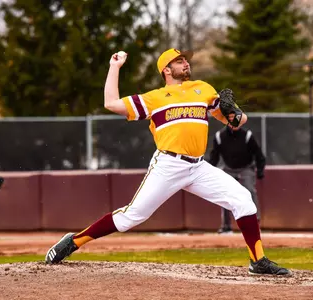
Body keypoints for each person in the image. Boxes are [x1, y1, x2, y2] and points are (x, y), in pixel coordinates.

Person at [45, 48, 290, 276]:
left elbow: (236, 121)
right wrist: (115, 67)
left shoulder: (203, 89)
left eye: (185, 59)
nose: (186, 62)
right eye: (179, 60)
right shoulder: (156, 98)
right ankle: (74, 241)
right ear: (166, 70)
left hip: (198, 167)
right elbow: (111, 103)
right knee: (132, 216)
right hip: (168, 165)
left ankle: (257, 261)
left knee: (243, 199)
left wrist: (235, 113)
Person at [208, 126, 266, 234]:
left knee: (250, 191)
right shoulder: (219, 136)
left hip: (246, 167)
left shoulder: (247, 135)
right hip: (228, 167)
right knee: (225, 194)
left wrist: (260, 170)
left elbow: (258, 154)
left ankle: (255, 224)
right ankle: (226, 226)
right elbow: (214, 156)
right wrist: (210, 170)